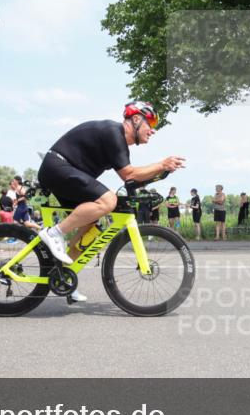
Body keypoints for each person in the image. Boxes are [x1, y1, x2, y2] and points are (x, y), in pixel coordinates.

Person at [35, 102, 184, 304]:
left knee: (91, 226)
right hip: (57, 166)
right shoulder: (113, 132)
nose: (153, 130)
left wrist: (161, 171)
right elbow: (129, 174)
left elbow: (132, 180)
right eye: (151, 122)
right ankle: (54, 233)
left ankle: (64, 277)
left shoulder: (118, 141)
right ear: (137, 119)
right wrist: (160, 164)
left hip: (65, 170)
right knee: (108, 200)